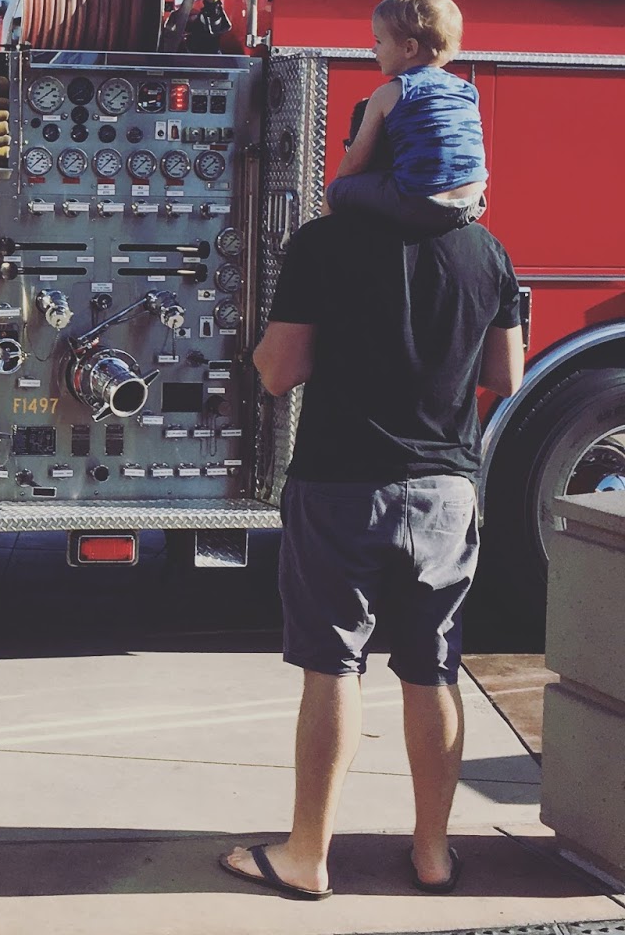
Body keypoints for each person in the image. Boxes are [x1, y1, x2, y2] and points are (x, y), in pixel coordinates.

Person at [219, 199, 524, 901]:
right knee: (434, 668)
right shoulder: (486, 249)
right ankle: (433, 856)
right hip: (446, 490)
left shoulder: (323, 244)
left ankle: (307, 857)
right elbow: (505, 376)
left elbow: (277, 372)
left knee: (333, 666)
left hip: (342, 489)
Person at [326, 0, 487, 233]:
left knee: (337, 191)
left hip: (418, 202)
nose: (373, 49)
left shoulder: (390, 93)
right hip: (472, 202)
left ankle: (316, 240)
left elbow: (355, 161)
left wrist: (339, 184)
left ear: (409, 48)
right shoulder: (467, 90)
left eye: (379, 41)